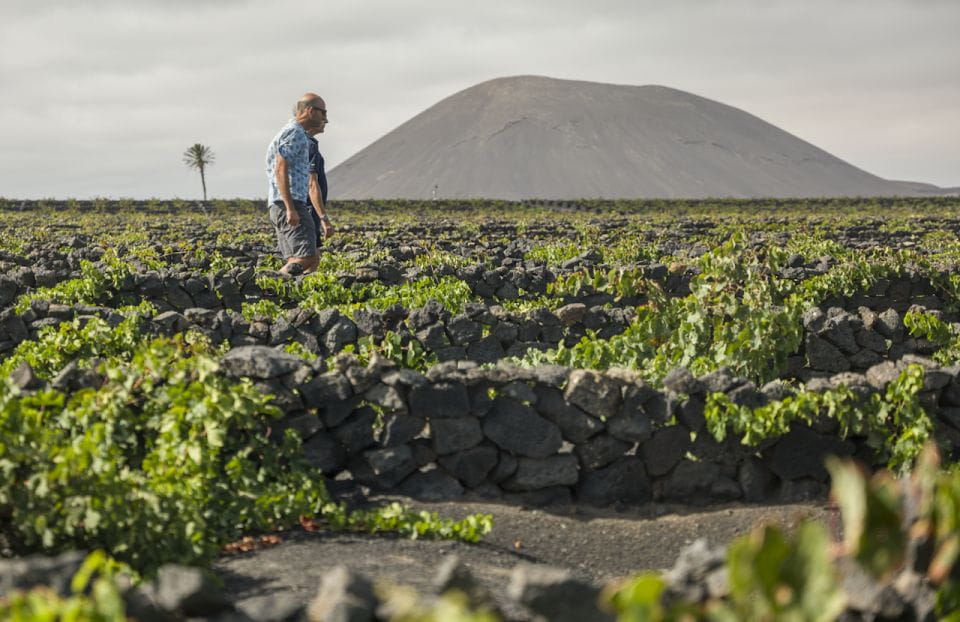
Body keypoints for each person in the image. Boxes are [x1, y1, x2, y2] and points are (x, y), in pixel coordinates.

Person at [264, 93, 327, 275]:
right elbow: (280, 168)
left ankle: (282, 292)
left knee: (298, 257)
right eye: (323, 113)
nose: (325, 118)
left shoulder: (292, 131)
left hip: (281, 203)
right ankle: (271, 285)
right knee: (307, 257)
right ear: (311, 111)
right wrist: (290, 207)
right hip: (289, 203)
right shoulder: (296, 133)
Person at [307, 125, 335, 245]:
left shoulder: (306, 143)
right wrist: (324, 219)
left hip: (309, 212)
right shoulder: (310, 145)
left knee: (313, 257)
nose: (326, 121)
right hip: (309, 212)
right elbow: (312, 184)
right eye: (323, 116)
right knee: (308, 257)